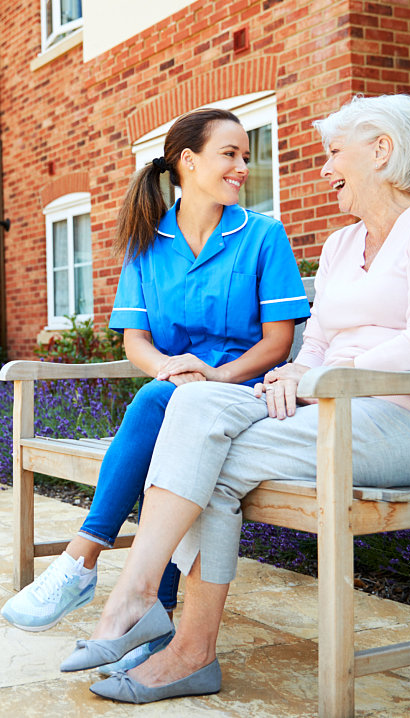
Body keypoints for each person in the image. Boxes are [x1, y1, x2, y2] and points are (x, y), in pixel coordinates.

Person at [57, 94, 410, 704]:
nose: (323, 169)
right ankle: (148, 604)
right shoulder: (342, 245)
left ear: (382, 152)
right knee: (194, 405)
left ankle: (171, 632)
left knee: (210, 462)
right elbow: (319, 345)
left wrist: (314, 380)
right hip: (331, 408)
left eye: (334, 154)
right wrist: (294, 374)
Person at [1, 108, 310, 670]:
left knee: (159, 406)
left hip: (244, 397)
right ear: (188, 161)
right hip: (177, 394)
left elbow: (276, 345)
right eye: (230, 154)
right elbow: (136, 342)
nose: (243, 165)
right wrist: (171, 369)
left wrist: (210, 377)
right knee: (166, 414)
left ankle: (82, 560)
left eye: (246, 155)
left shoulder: (263, 234)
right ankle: (153, 622)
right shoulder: (148, 242)